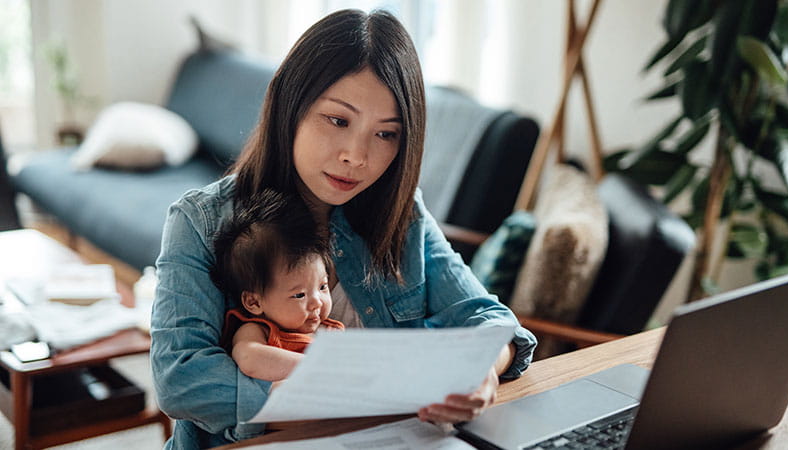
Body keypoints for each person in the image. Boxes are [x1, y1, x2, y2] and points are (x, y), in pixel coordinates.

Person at [150, 8, 537, 449]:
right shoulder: (199, 221)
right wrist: (334, 399)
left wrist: (484, 369)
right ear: (290, 107)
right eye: (338, 120)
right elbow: (179, 378)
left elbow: (490, 322)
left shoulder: (401, 213)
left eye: (386, 134)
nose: (357, 156)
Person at [211, 189, 345, 383]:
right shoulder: (258, 330)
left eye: (322, 287)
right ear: (254, 302)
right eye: (299, 295)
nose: (317, 302)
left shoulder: (328, 330)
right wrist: (320, 367)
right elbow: (250, 359)